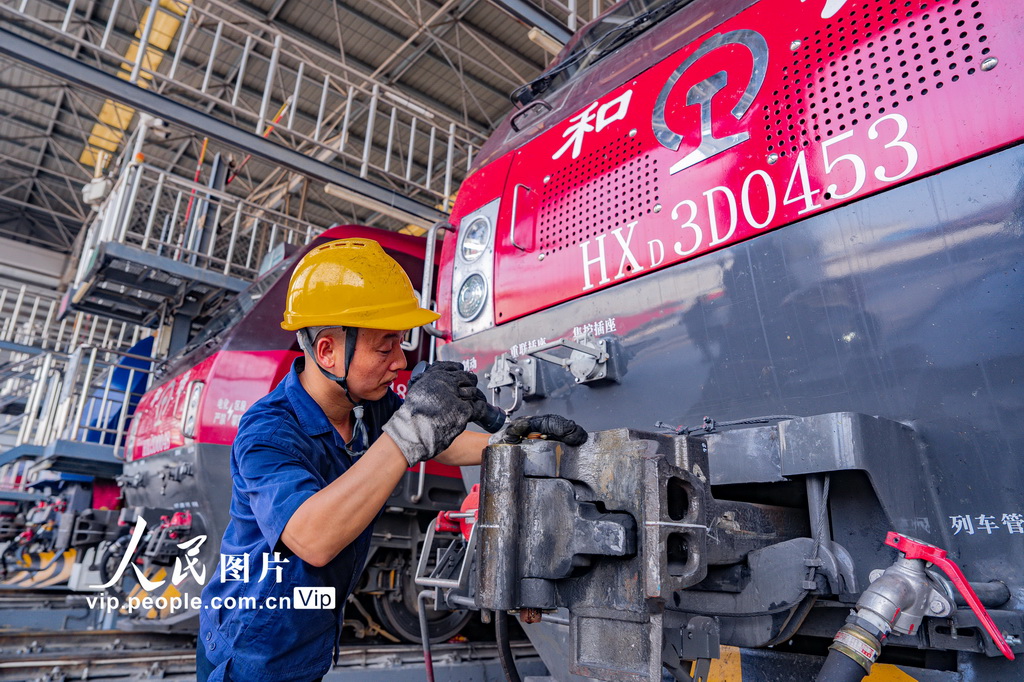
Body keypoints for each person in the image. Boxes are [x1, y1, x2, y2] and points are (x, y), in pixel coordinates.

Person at [196, 238, 586, 681]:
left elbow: (435, 443)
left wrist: (516, 444)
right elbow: (313, 539)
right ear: (327, 351)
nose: (400, 361)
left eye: (400, 344)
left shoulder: (366, 407)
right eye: (385, 348)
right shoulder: (269, 432)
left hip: (304, 638)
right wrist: (409, 431)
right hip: (250, 648)